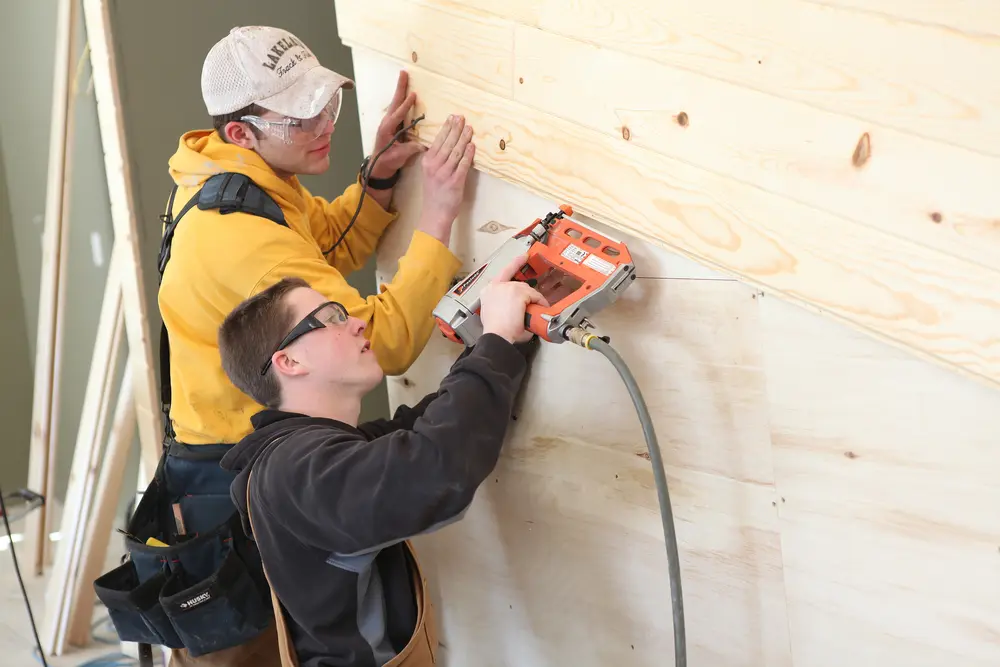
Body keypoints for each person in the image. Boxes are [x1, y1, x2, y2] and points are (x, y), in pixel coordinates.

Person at [129, 24, 474, 667]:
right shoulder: (239, 235)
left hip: (220, 460)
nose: (324, 124)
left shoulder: (233, 176)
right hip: (227, 477)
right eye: (300, 116)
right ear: (242, 130)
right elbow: (387, 342)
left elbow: (324, 248)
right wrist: (438, 219)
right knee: (250, 654)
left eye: (327, 103)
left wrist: (375, 182)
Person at [214, 255, 546, 667]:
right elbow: (432, 471)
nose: (356, 321)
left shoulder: (308, 451)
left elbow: (428, 425)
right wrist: (494, 339)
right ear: (290, 362)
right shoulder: (296, 470)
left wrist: (501, 341)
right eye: (330, 317)